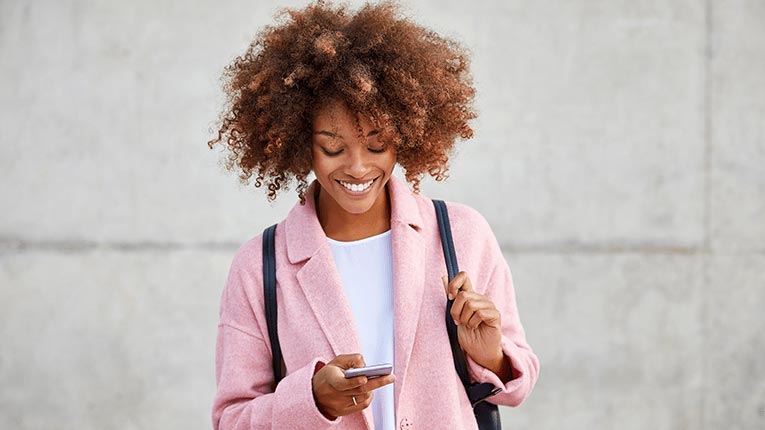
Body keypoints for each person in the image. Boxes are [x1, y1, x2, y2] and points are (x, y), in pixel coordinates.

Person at [207, 1, 539, 429]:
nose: (358, 168)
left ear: (407, 134)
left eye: (378, 145)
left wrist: (489, 353)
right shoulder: (258, 267)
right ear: (297, 141)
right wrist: (312, 401)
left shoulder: (462, 235)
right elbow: (230, 419)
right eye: (332, 147)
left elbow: (517, 383)